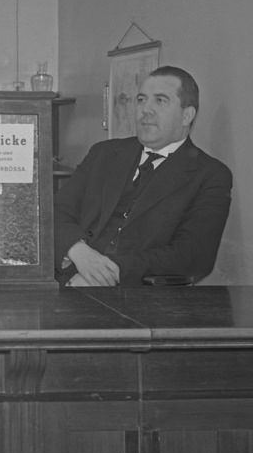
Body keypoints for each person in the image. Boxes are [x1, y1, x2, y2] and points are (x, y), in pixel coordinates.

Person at [53, 66, 231, 287]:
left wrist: (106, 273)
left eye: (160, 101)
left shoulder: (210, 176)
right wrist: (78, 251)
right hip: (65, 278)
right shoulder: (104, 154)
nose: (145, 109)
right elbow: (57, 211)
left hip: (137, 295)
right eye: (141, 99)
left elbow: (193, 255)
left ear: (187, 115)